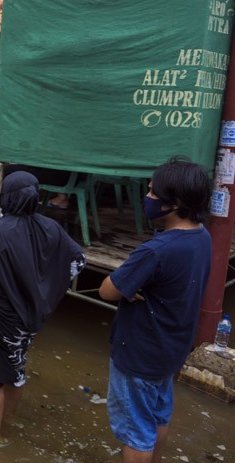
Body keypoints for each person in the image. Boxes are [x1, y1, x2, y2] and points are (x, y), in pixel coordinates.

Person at [0, 171, 84, 446]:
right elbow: (77, 261)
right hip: (30, 317)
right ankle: (8, 419)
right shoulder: (51, 227)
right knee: (16, 366)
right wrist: (45, 290)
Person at [98, 159, 212, 463]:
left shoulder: (155, 251)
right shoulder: (201, 236)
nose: (147, 197)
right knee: (157, 416)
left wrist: (130, 282)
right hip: (171, 348)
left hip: (140, 352)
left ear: (173, 204)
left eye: (152, 192)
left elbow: (107, 290)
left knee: (136, 430)